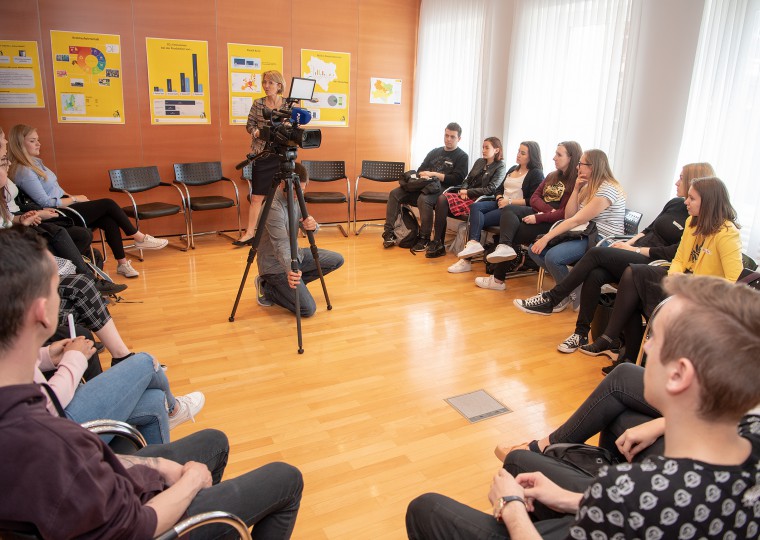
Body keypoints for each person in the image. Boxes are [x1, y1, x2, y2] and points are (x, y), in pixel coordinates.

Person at [0, 227, 303, 539]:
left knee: (213, 440)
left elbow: (85, 465)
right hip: (135, 522)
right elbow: (136, 526)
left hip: (101, 489)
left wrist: (157, 464)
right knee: (286, 478)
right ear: (42, 313)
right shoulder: (48, 440)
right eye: (56, 287)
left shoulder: (26, 412)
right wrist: (191, 482)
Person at [406, 273, 760, 539]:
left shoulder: (634, 492)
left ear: (679, 374)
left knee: (425, 508)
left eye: (655, 339)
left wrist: (511, 507)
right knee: (519, 461)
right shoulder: (751, 442)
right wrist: (565, 498)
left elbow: (633, 506)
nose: (646, 348)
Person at [513, 162, 714, 358]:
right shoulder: (675, 204)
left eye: (681, 178)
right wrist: (629, 244)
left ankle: (552, 298)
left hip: (650, 261)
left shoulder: (696, 219)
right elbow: (647, 230)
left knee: (595, 254)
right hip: (634, 249)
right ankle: (580, 334)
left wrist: (638, 250)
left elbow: (674, 252)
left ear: (694, 182)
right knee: (595, 273)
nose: (677, 182)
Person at [579, 176, 743, 367]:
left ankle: (623, 351)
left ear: (708, 202)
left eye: (692, 198)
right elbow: (680, 259)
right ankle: (619, 347)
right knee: (632, 276)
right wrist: (676, 279)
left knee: (634, 291)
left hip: (703, 296)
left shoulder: (727, 233)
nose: (686, 202)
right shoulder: (692, 222)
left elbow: (734, 280)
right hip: (681, 282)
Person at [8, 124, 168, 279]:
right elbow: (45, 202)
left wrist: (74, 197)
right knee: (108, 203)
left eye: (37, 139)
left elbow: (56, 189)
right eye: (32, 140)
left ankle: (122, 264)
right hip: (57, 213)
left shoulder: (36, 163)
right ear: (19, 144)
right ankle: (139, 238)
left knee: (108, 219)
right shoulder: (24, 171)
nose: (38, 143)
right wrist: (75, 199)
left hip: (66, 204)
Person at [35, 340, 204, 444]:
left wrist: (45, 356)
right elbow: (46, 405)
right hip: (54, 435)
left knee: (155, 401)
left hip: (50, 425)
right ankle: (174, 409)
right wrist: (74, 359)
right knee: (146, 362)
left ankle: (156, 489)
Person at [526, 149, 626, 311]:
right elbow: (569, 215)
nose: (578, 167)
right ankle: (572, 292)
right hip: (584, 232)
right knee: (534, 250)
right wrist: (576, 189)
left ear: (593, 166)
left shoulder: (608, 189)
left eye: (581, 163)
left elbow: (577, 219)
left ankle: (565, 293)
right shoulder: (588, 186)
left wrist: (546, 238)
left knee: (553, 257)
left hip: (602, 239)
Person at [469, 142, 580, 289]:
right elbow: (534, 198)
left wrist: (540, 216)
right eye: (555, 153)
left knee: (513, 230)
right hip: (540, 214)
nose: (554, 158)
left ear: (571, 158)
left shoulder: (575, 182)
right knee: (510, 209)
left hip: (553, 225)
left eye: (559, 155)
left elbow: (565, 214)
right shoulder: (551, 176)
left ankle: (497, 280)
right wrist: (546, 210)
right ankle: (504, 247)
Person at [255, 162, 344, 317]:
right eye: (294, 191)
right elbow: (281, 244)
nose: (297, 195)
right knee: (307, 309)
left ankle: (293, 287)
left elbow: (306, 226)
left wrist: (313, 225)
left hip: (296, 255)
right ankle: (267, 288)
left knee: (337, 259)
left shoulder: (297, 196)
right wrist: (290, 270)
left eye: (301, 190)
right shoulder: (273, 207)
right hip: (275, 266)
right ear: (283, 183)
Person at [443, 140, 539, 272]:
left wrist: (508, 202)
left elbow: (532, 200)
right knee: (475, 207)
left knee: (478, 220)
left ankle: (466, 260)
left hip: (513, 210)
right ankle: (473, 244)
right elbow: (498, 189)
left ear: (531, 156)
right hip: (500, 202)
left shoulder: (536, 173)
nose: (518, 154)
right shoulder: (513, 169)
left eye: (522, 153)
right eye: (518, 151)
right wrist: (500, 197)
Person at [381, 123, 469, 251]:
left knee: (424, 199)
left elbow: (457, 179)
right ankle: (388, 233)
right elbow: (421, 169)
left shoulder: (462, 156)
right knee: (395, 193)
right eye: (446, 135)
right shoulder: (435, 151)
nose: (448, 139)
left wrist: (434, 174)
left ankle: (425, 238)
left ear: (459, 139)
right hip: (424, 185)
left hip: (443, 190)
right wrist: (424, 175)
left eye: (452, 137)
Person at [424, 136, 507, 260]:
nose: (483, 150)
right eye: (483, 147)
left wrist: (468, 192)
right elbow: (467, 179)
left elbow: (491, 189)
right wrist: (463, 189)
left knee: (443, 199)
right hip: (467, 195)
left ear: (496, 150)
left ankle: (439, 244)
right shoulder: (480, 161)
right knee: (442, 198)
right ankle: (438, 242)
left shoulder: (500, 166)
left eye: (487, 148)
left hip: (480, 199)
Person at [236, 70, 287, 247]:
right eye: (264, 82)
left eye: (270, 83)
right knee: (257, 196)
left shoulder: (288, 104)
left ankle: (282, 230)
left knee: (282, 195)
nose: (266, 86)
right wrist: (255, 131)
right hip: (262, 153)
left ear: (279, 85)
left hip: (281, 154)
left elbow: (294, 125)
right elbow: (249, 124)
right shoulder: (258, 104)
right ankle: (250, 233)